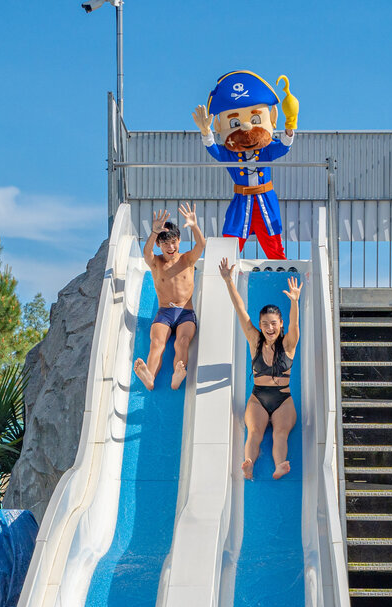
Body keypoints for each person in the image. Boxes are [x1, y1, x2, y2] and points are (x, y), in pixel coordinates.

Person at [192, 70, 298, 259]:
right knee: (230, 240)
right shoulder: (230, 155)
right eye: (235, 122)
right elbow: (214, 150)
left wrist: (290, 125)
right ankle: (224, 276)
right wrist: (205, 131)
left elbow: (283, 147)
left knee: (273, 243)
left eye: (254, 120)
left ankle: (283, 276)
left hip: (265, 200)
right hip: (241, 202)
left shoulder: (266, 150)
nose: (246, 127)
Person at [219, 257, 300, 479]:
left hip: (283, 399)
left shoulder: (289, 344)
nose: (269, 328)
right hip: (258, 398)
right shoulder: (255, 341)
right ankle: (248, 463)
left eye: (273, 323)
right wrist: (228, 281)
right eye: (264, 324)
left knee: (280, 434)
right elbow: (241, 311)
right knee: (254, 433)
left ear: (280, 323)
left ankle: (279, 465)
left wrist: (294, 301)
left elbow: (295, 325)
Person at [134, 202, 206, 391]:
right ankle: (149, 376)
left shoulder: (187, 259)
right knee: (157, 342)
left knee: (182, 342)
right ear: (159, 244)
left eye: (173, 241)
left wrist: (194, 225)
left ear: (179, 241)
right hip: (164, 312)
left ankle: (177, 375)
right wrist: (154, 232)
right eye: (165, 243)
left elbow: (201, 245)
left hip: (185, 313)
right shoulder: (156, 263)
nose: (170, 246)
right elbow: (146, 252)